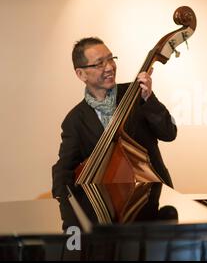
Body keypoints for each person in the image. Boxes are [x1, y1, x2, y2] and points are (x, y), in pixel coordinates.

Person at [52, 37, 177, 198]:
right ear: (81, 74)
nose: (110, 67)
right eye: (99, 64)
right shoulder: (75, 120)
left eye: (111, 59)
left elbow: (169, 133)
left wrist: (149, 98)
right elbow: (64, 170)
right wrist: (70, 218)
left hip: (156, 199)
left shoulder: (137, 94)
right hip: (110, 207)